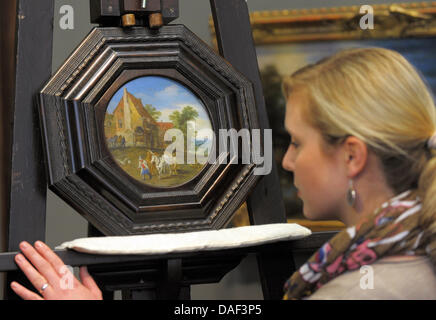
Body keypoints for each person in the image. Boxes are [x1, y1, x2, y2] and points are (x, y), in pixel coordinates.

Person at [10, 47, 436, 300]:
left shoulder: (357, 290)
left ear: (351, 157)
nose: (285, 162)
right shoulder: (409, 256)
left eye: (298, 143)